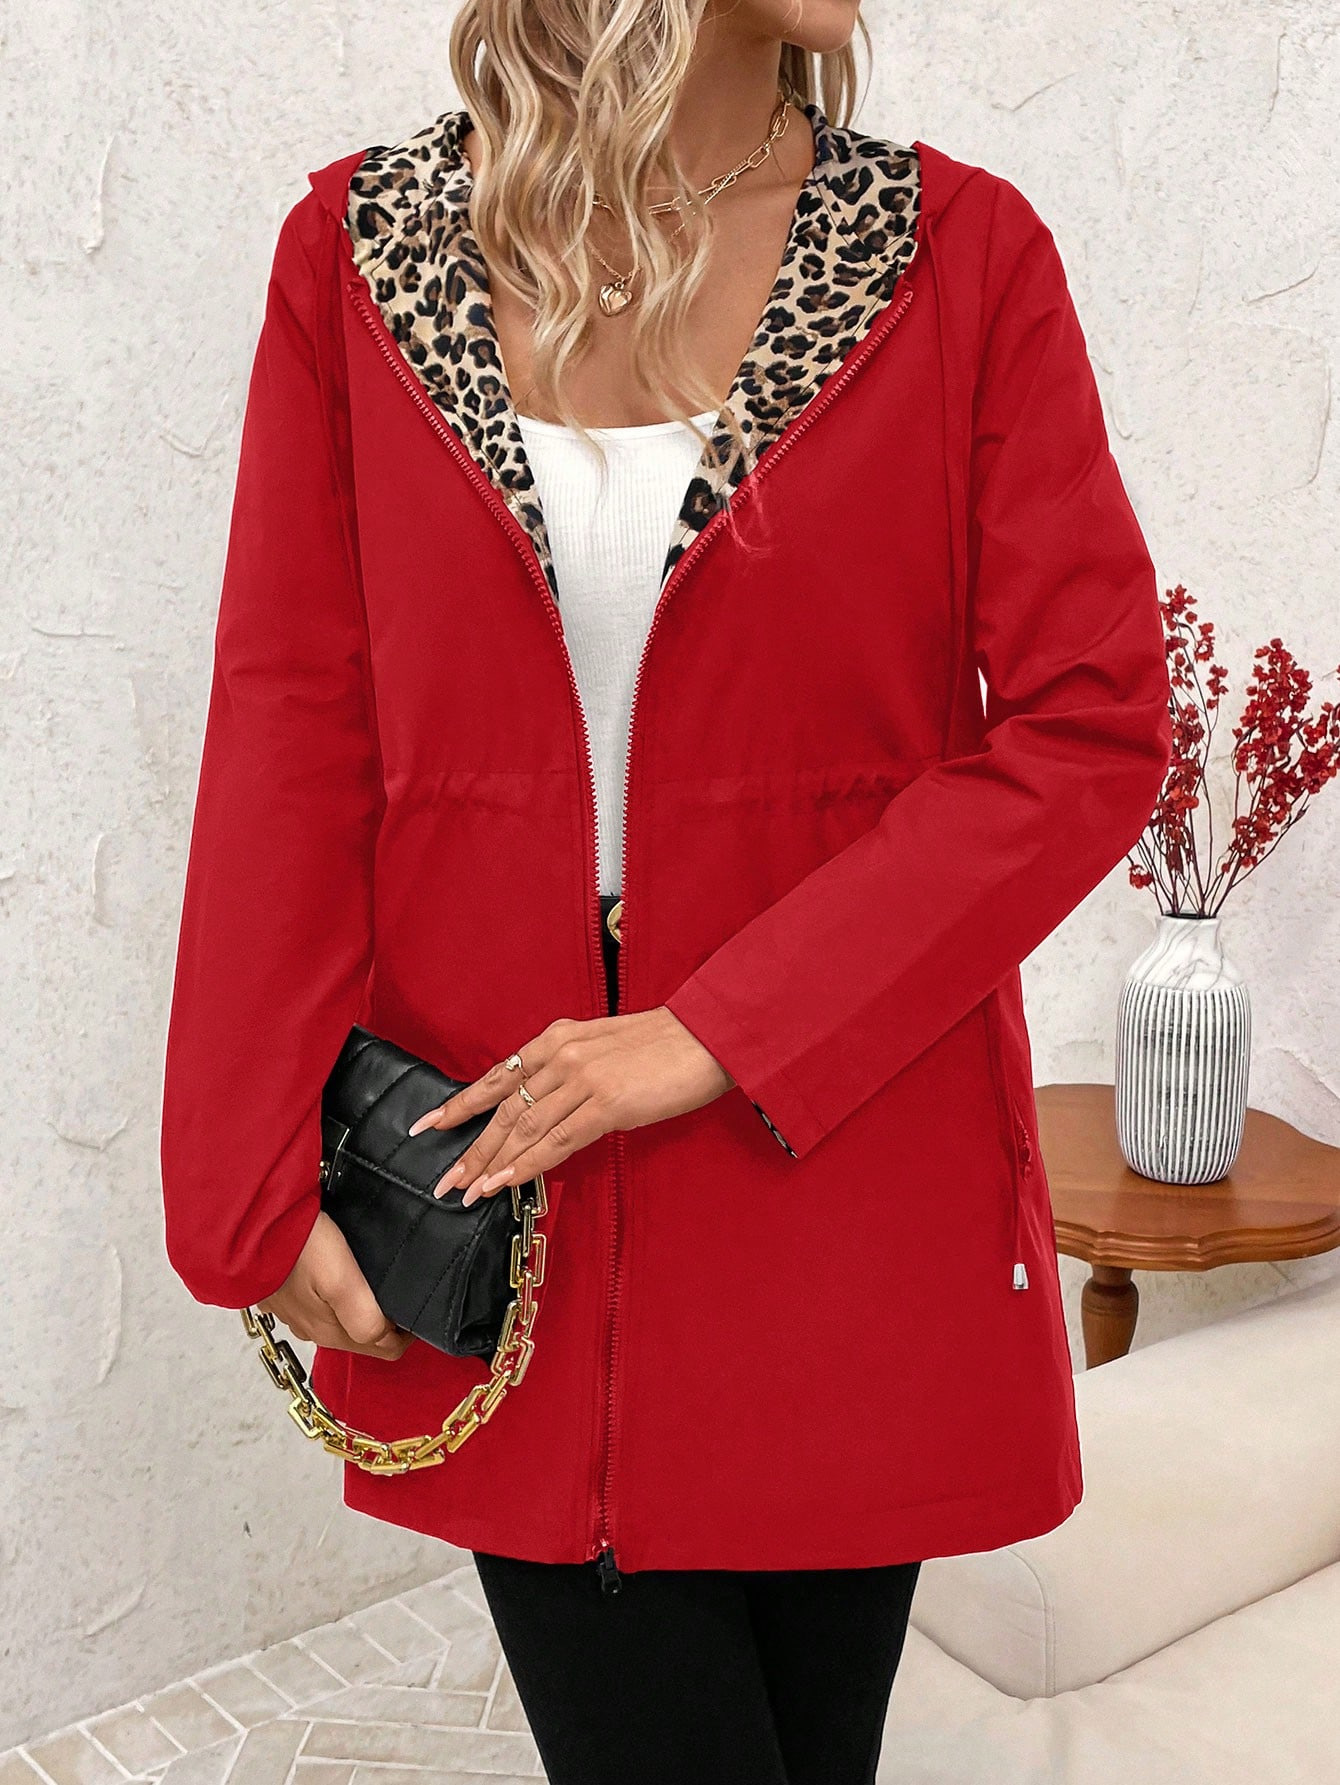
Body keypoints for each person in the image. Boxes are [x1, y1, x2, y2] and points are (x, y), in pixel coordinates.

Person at [159, 3, 1173, 1781]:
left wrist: (715, 1027)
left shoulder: (959, 258)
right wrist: (233, 1179)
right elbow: (292, 728)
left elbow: (1090, 724)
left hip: (850, 1185)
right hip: (515, 1197)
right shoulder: (364, 256)